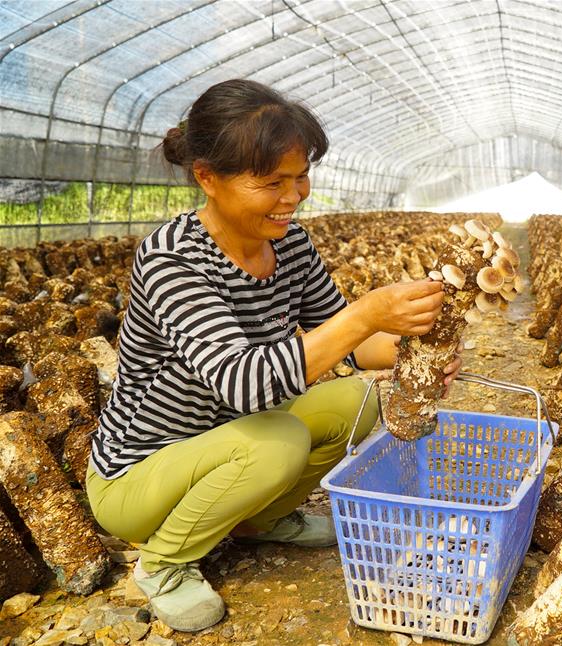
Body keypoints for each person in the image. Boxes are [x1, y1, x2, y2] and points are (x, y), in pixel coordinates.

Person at [85, 78, 461, 633]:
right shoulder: (172, 260)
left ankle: (255, 521)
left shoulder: (289, 244)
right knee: (281, 439)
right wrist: (364, 313)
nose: (293, 196)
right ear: (207, 178)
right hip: (139, 475)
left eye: (301, 176)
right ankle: (163, 563)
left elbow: (353, 346)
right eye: (271, 182)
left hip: (235, 439)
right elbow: (245, 385)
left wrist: (416, 353)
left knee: (357, 400)